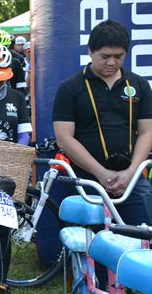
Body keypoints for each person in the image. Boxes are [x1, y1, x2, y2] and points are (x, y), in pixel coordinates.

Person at [53, 20, 152, 224]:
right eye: (105, 57)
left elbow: (147, 132)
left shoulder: (139, 85)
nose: (111, 63)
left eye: (118, 57)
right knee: (88, 244)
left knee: (143, 237)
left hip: (131, 179)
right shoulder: (70, 87)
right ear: (90, 51)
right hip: (85, 178)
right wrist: (101, 173)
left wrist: (131, 172)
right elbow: (63, 138)